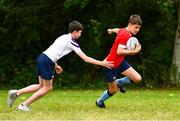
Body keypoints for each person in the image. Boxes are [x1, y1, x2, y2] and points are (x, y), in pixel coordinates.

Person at [7, 21, 114, 111]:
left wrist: (55, 65)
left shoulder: (63, 37)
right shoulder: (72, 42)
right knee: (48, 88)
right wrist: (102, 63)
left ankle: (16, 93)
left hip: (42, 58)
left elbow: (53, 50)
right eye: (80, 32)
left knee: (40, 86)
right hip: (47, 61)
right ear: (75, 32)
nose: (80, 35)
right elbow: (85, 58)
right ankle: (24, 105)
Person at [95, 14, 142, 108]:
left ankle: (119, 82)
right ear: (129, 24)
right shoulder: (125, 35)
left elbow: (117, 30)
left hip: (120, 62)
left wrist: (111, 30)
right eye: (136, 27)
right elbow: (119, 51)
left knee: (137, 78)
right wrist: (133, 51)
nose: (137, 30)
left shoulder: (124, 30)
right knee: (113, 90)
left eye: (139, 28)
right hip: (110, 65)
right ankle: (99, 101)